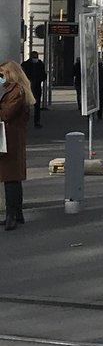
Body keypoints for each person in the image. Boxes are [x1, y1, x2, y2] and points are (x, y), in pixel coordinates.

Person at [0, 59, 34, 231]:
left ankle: (11, 215)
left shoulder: (16, 92)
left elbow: (6, 114)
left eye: (2, 74)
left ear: (10, 74)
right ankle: (16, 213)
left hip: (10, 138)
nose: (1, 78)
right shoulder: (15, 90)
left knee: (10, 178)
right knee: (12, 178)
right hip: (12, 137)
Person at [20, 51, 46, 129]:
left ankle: (36, 121)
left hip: (36, 87)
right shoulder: (25, 65)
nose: (35, 58)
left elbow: (44, 75)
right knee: (26, 105)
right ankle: (27, 120)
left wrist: (40, 79)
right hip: (28, 87)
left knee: (36, 105)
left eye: (36, 57)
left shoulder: (40, 64)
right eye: (34, 57)